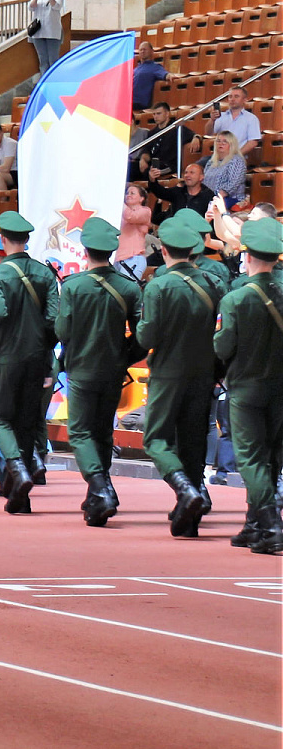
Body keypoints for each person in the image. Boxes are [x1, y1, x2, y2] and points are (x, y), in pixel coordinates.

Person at [52, 219, 142, 526]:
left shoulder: (74, 286)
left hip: (82, 369)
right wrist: (126, 357)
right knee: (103, 432)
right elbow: (142, 334)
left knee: (79, 432)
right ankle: (97, 495)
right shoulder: (129, 288)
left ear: (86, 250)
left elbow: (62, 330)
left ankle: (101, 486)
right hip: (114, 370)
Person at [137, 219, 223, 538]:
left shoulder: (159, 285)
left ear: (163, 250)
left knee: (156, 439)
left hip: (168, 372)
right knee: (193, 441)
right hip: (204, 372)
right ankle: (190, 516)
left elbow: (146, 336)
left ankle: (186, 490)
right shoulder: (213, 282)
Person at [212, 217, 283, 555]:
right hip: (280, 386)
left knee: (251, 458)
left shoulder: (237, 299)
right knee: (271, 457)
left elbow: (224, 346)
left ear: (248, 256)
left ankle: (270, 524)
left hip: (246, 386)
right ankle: (254, 524)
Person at [0, 212, 59, 514]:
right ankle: (19, 496)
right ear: (26, 240)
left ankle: (17, 470)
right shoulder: (44, 273)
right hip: (38, 356)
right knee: (27, 421)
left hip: (8, 354)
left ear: (2, 239)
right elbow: (54, 317)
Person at [134, 101, 194, 184]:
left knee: (149, 172)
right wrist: (143, 159)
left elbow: (194, 135)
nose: (155, 117)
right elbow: (146, 150)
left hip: (169, 166)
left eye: (158, 114)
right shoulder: (152, 133)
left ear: (167, 114)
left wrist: (197, 138)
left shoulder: (176, 128)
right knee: (130, 167)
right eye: (154, 114)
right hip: (153, 164)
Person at [212, 85, 263, 163]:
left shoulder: (251, 119)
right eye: (230, 97)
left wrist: (235, 156)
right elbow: (209, 132)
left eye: (236, 96)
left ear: (244, 100)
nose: (232, 99)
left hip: (238, 158)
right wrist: (212, 120)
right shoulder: (220, 116)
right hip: (219, 157)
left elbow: (253, 142)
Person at [29, 0, 64, 72]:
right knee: (43, 60)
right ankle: (44, 82)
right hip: (39, 32)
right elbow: (31, 7)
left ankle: (54, 82)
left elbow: (56, 6)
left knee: (53, 60)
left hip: (52, 32)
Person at [202, 131, 248, 207]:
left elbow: (233, 184)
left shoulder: (236, 160)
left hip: (230, 198)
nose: (221, 144)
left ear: (232, 145)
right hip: (210, 197)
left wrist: (217, 197)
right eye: (218, 141)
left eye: (225, 141)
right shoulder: (211, 162)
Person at [116, 184, 153, 278]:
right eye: (127, 193)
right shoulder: (120, 212)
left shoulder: (145, 211)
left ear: (141, 198)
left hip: (132, 258)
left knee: (126, 290)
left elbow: (131, 216)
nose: (128, 195)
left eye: (132, 193)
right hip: (116, 258)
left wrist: (118, 198)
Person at [131, 38, 168, 112]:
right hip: (130, 101)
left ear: (151, 51)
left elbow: (164, 74)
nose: (142, 51)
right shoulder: (135, 70)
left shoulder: (155, 67)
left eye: (145, 49)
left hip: (140, 103)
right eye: (141, 50)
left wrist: (169, 75)